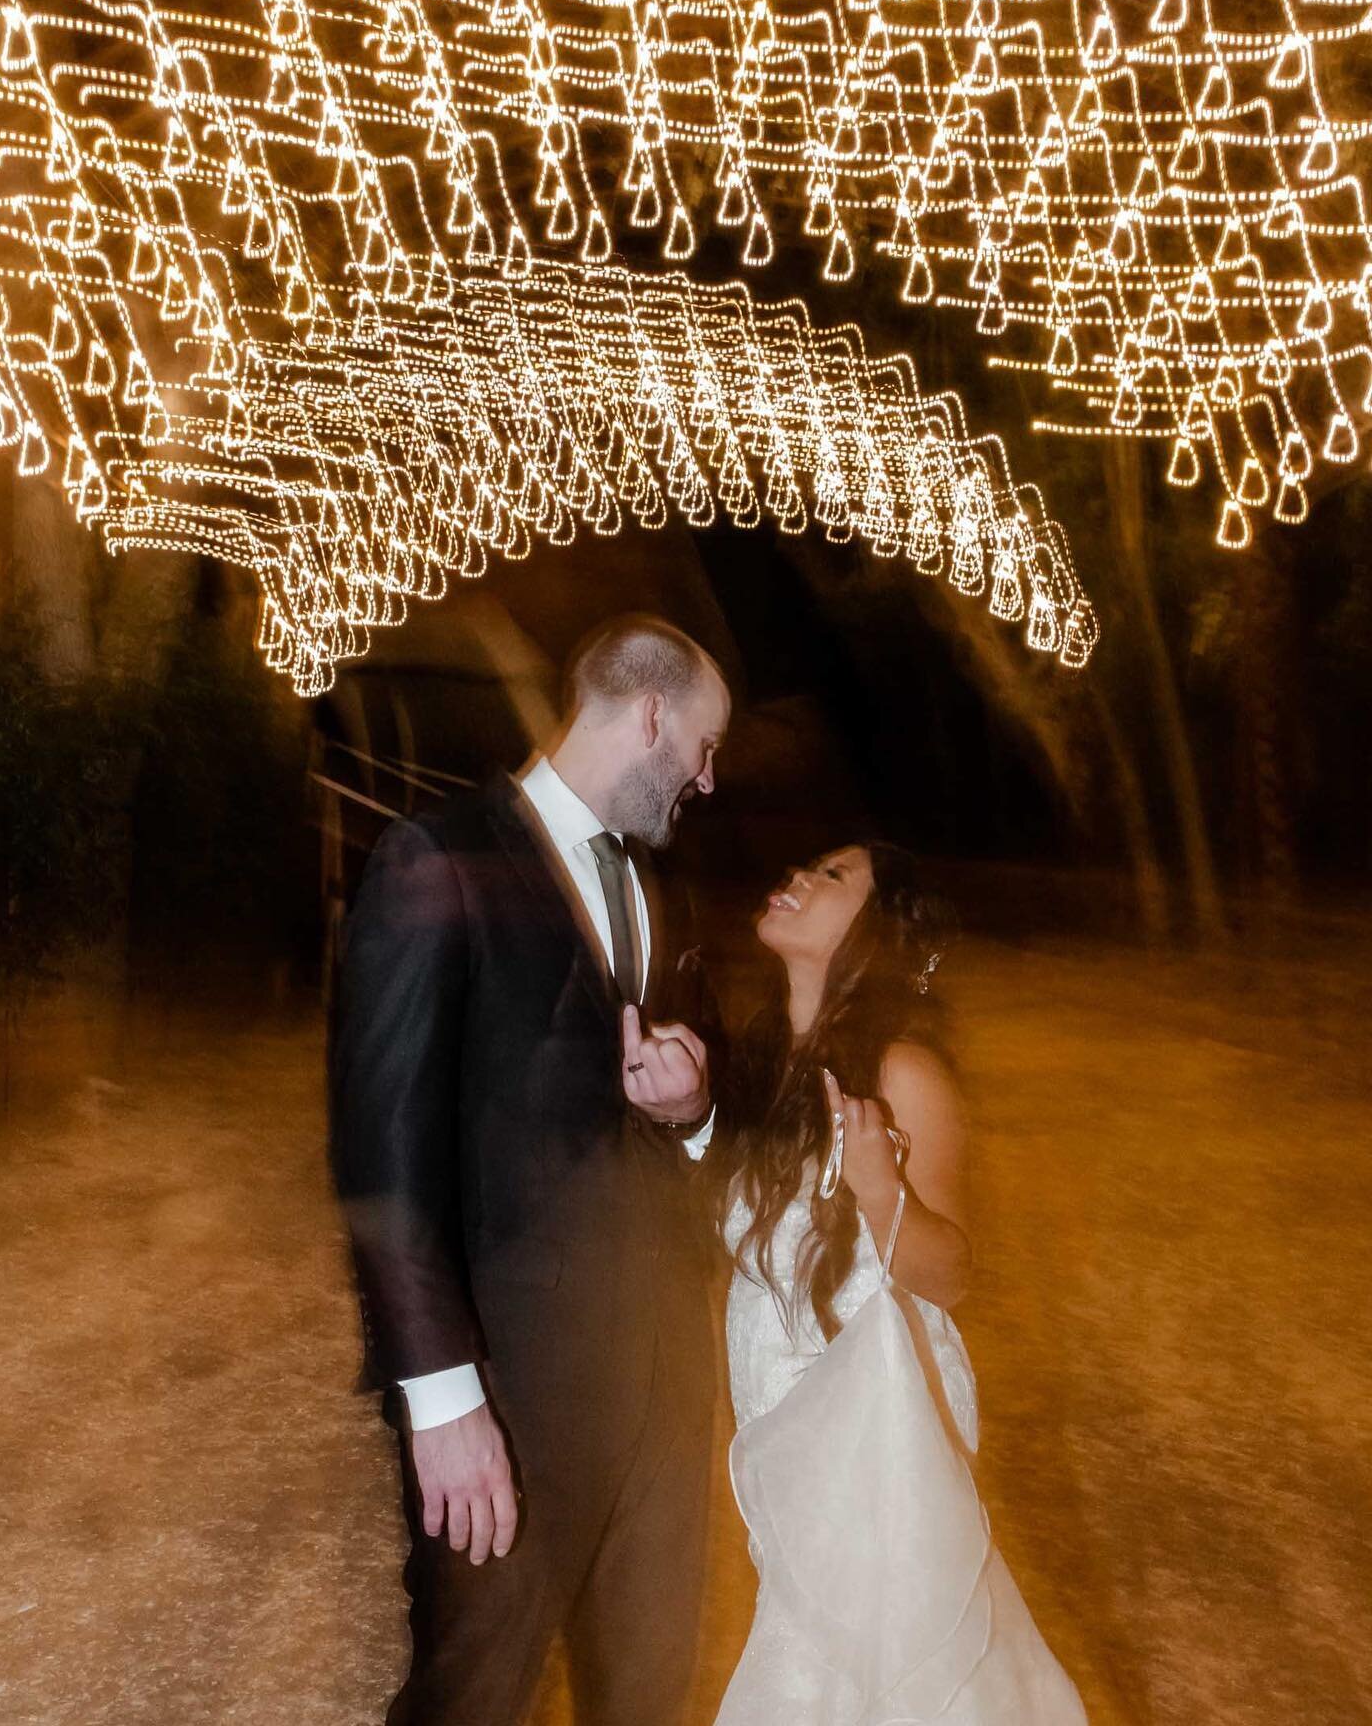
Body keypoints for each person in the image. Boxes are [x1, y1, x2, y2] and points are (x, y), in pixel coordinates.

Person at [329, 615, 731, 1726]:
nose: (707, 778)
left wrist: (694, 1107)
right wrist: (443, 1397)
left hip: (664, 1382)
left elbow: (693, 1086)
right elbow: (383, 1152)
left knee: (648, 1693)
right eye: (702, 746)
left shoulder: (661, 890)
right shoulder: (438, 859)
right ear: (649, 715)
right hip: (513, 1390)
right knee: (478, 1692)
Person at [705, 842, 1087, 1725]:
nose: (797, 875)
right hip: (781, 1424)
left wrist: (883, 1196)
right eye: (807, 865)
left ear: (872, 933)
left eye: (833, 876)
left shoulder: (904, 1072)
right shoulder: (763, 1063)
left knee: (861, 1680)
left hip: (876, 1427)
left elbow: (952, 1275)